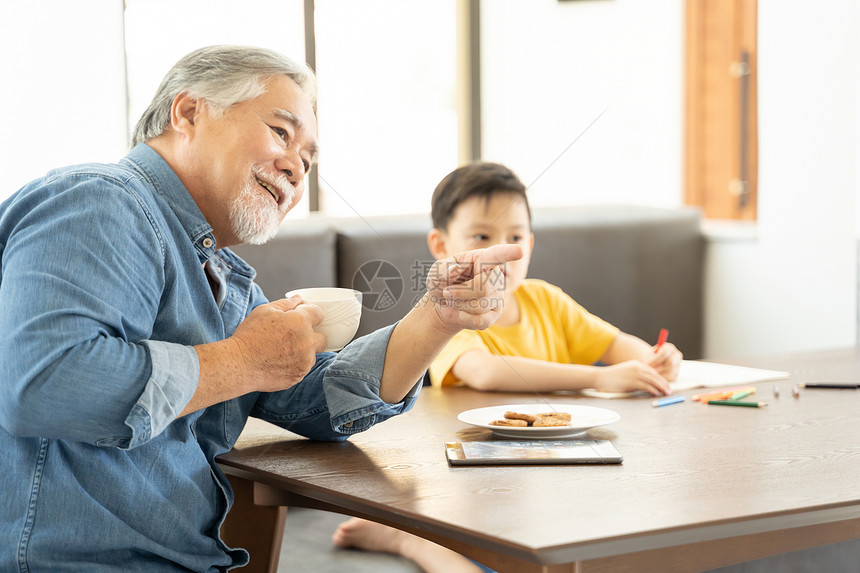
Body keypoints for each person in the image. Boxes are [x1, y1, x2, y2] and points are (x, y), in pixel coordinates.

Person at [0, 46, 521, 572]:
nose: (297, 166)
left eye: (309, 159)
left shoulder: (222, 272)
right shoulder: (101, 201)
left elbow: (315, 401)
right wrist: (246, 360)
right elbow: (44, 383)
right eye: (280, 132)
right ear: (188, 112)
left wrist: (438, 315)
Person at [332, 161, 683, 572]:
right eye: (482, 236)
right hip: (476, 476)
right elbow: (483, 370)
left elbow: (617, 343)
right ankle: (416, 542)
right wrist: (601, 377)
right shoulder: (450, 310)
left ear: (529, 245)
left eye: (514, 237)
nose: (499, 251)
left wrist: (655, 358)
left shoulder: (546, 300)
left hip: (552, 472)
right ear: (442, 246)